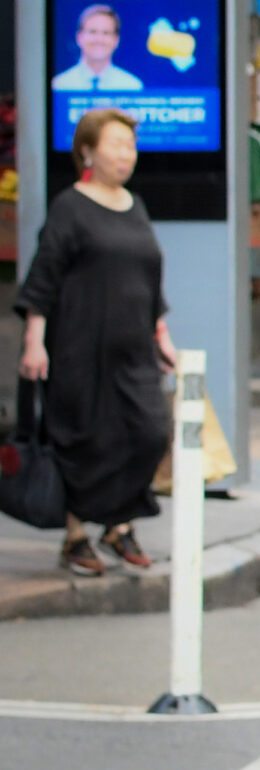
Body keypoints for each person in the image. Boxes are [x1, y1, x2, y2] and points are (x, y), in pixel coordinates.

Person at [17, 107, 177, 575]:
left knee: (148, 433)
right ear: (88, 150)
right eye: (116, 144)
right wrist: (34, 341)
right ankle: (75, 536)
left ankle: (116, 524)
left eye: (131, 145)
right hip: (78, 348)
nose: (126, 155)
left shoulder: (135, 206)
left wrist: (162, 334)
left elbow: (150, 280)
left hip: (133, 349)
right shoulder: (70, 206)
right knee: (84, 441)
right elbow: (43, 278)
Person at [51, 4, 145, 93]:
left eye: (106, 33)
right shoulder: (59, 85)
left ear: (116, 40)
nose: (99, 39)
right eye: (93, 32)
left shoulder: (131, 86)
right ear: (79, 37)